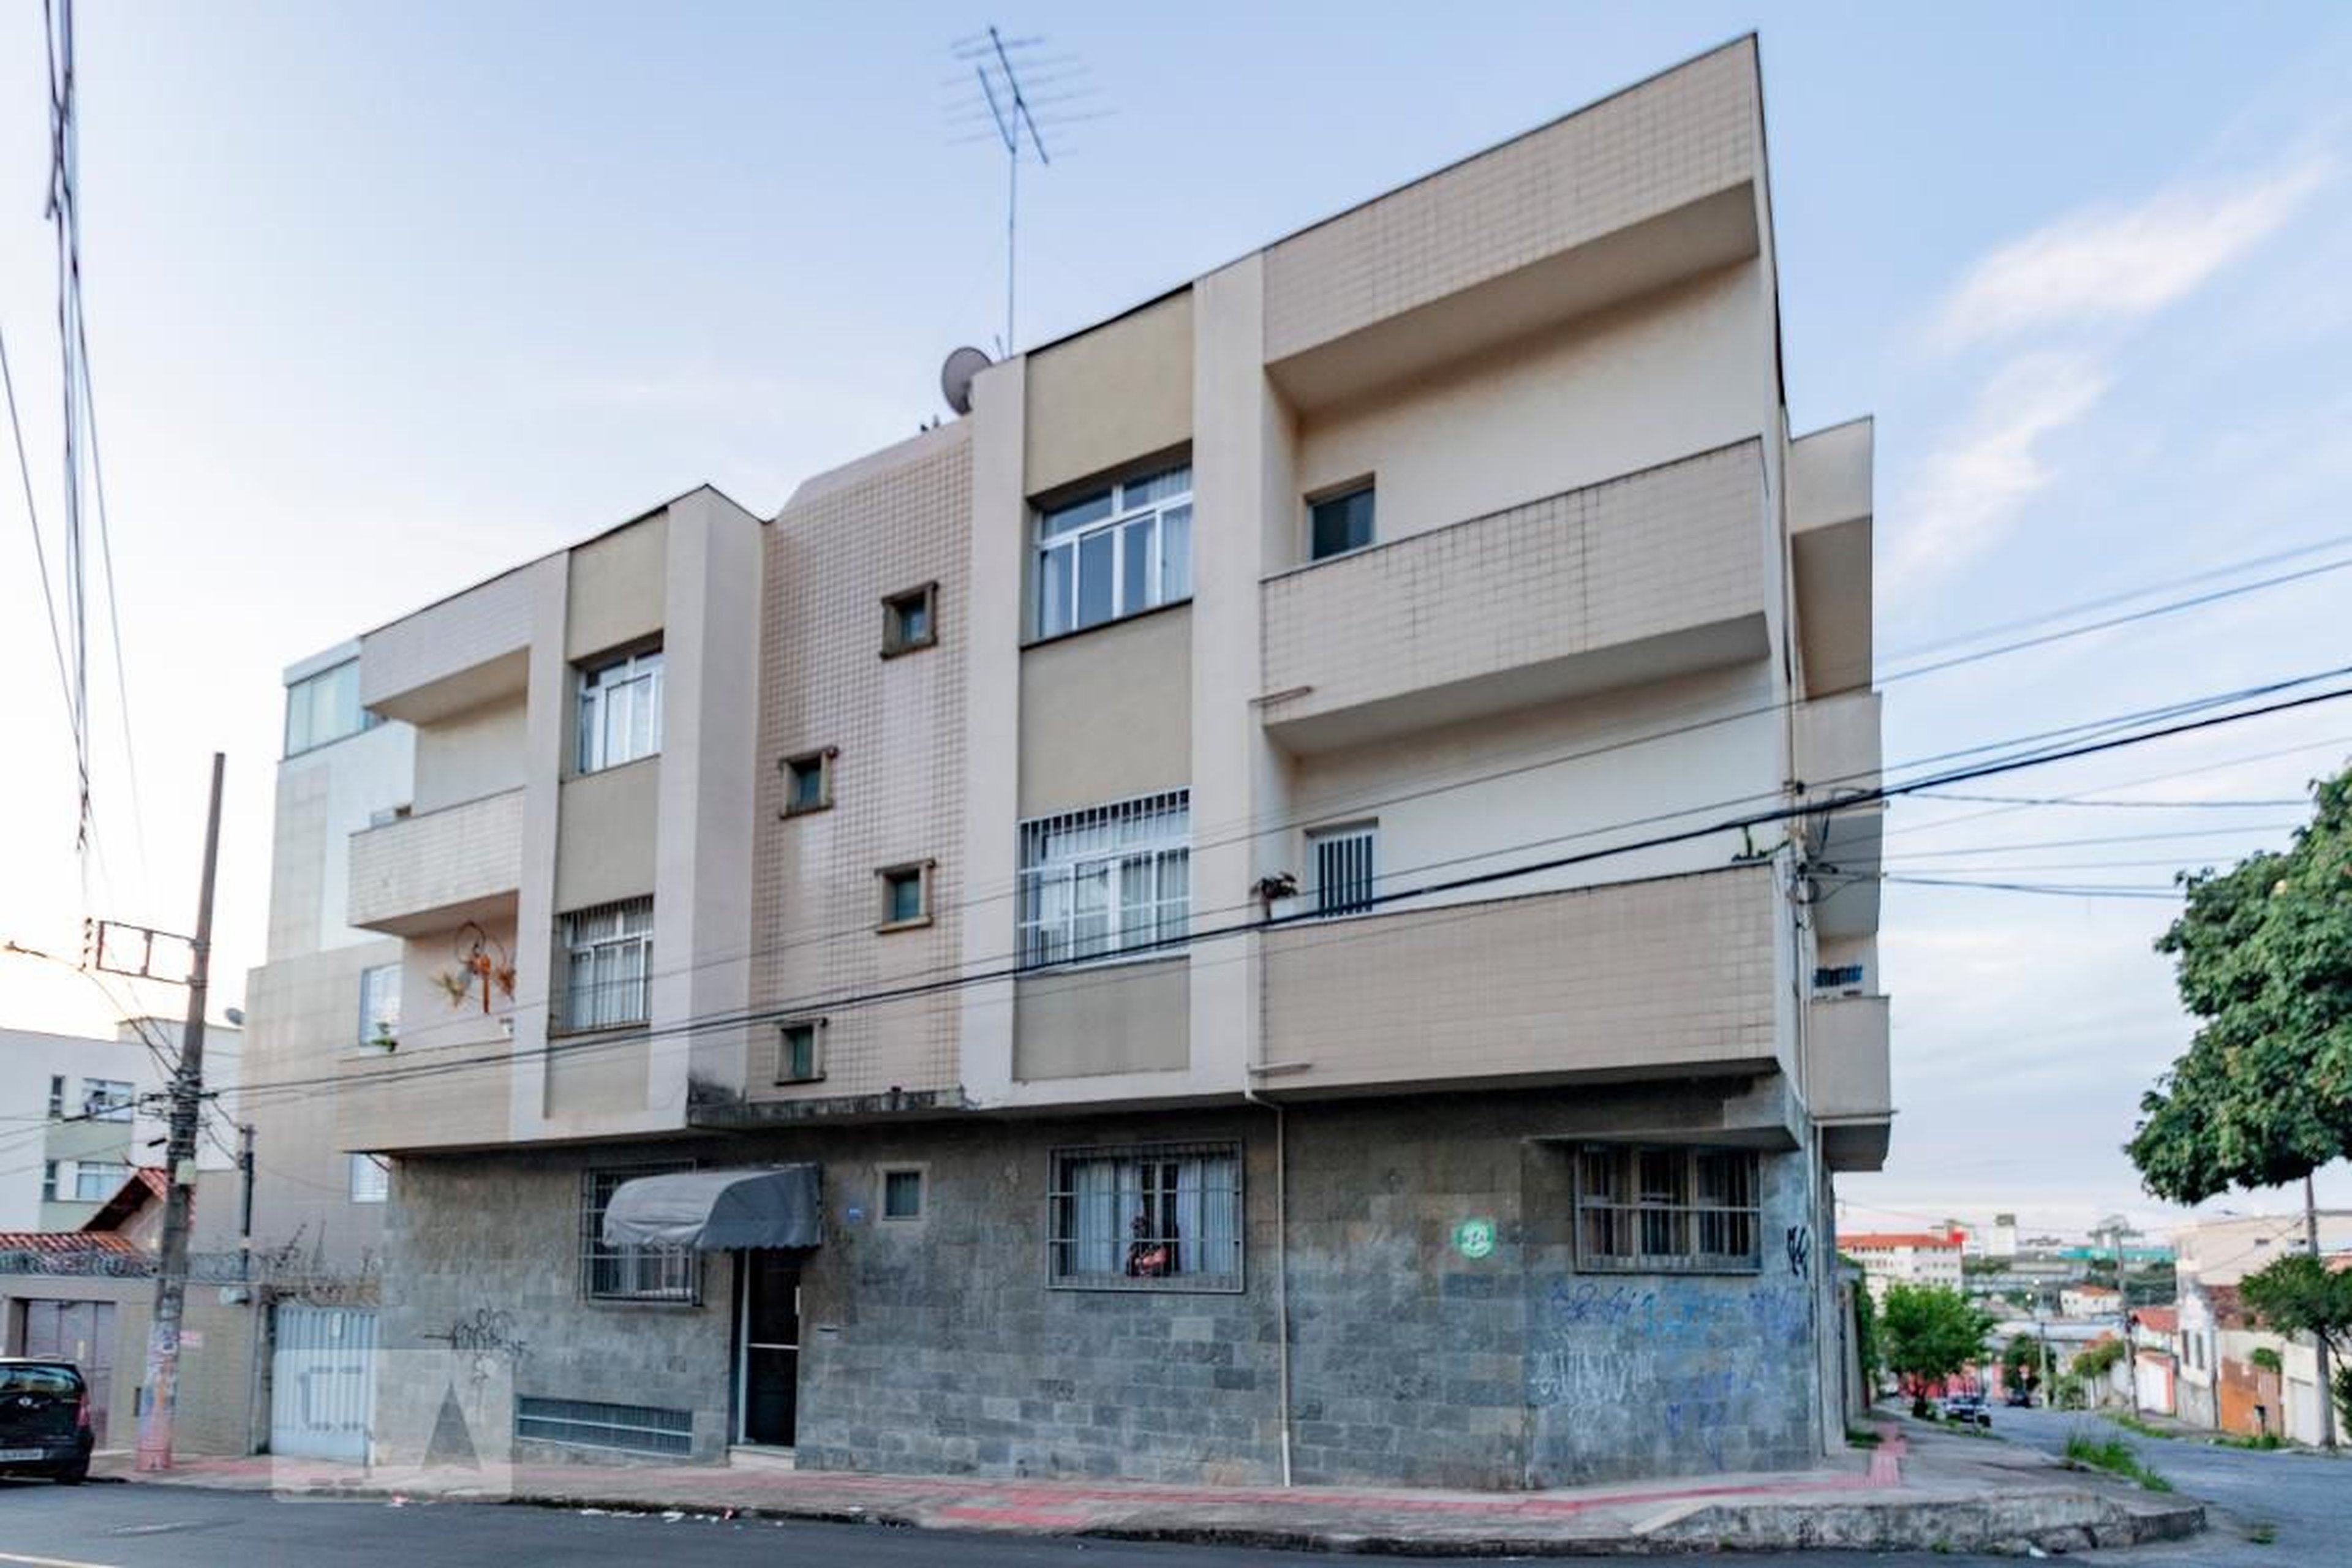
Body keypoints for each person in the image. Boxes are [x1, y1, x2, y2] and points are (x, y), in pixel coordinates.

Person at [1126, 1211, 1174, 1278]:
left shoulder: (1158, 1246)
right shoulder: (1135, 1246)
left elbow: (1162, 1266)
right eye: (1136, 1229)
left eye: (1141, 1228)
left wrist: (1147, 1262)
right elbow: (1129, 1268)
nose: (1138, 1232)